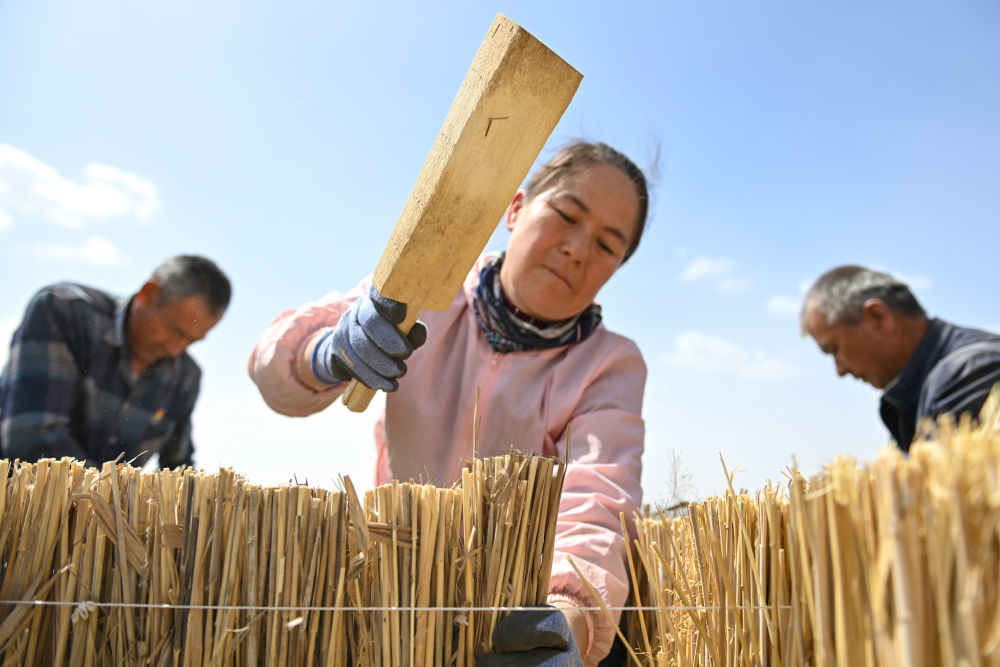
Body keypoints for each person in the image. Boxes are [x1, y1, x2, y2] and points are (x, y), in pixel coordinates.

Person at [249, 141, 649, 665]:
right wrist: (324, 354)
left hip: (515, 621)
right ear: (516, 209)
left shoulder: (608, 364)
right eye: (566, 214)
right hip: (396, 599)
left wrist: (568, 617)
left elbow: (598, 501)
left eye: (606, 246)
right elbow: (274, 363)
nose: (577, 248)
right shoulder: (426, 288)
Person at [0, 254, 231, 469]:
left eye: (192, 340)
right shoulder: (65, 313)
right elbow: (31, 435)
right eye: (176, 331)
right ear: (148, 293)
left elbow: (178, 466)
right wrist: (112, 504)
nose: (175, 349)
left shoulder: (185, 375)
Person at [801, 264, 1000, 452]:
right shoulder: (927, 384)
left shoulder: (971, 371)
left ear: (878, 317)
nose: (840, 370)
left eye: (834, 349)